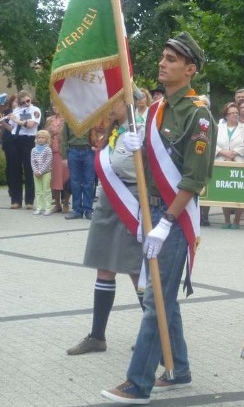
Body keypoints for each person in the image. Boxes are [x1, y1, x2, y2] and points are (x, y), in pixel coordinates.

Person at [101, 31, 215, 404]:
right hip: (151, 211)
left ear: (190, 69)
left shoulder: (198, 115)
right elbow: (150, 165)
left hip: (174, 219)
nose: (162, 63)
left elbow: (195, 178)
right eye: (163, 56)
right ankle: (178, 369)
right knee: (162, 295)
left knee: (157, 301)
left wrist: (166, 221)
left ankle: (138, 382)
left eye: (171, 58)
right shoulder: (157, 109)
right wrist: (136, 145)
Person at [67, 93, 146, 356]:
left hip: (131, 203)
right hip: (108, 202)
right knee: (104, 267)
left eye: (114, 101)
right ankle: (97, 336)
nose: (108, 107)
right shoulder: (114, 132)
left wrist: (143, 149)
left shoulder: (144, 131)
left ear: (128, 103)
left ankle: (154, 334)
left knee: (137, 271)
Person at [215, 102, 244, 228]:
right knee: (225, 191)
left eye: (236, 113)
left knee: (238, 192)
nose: (235, 115)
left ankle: (236, 221)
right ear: (226, 115)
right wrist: (224, 153)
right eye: (232, 113)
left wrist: (233, 154)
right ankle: (226, 220)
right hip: (222, 161)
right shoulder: (219, 127)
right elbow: (214, 143)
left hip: (239, 161)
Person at [8, 90, 41, 209]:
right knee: (15, 170)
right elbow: (12, 126)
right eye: (24, 102)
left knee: (28, 169)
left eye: (28, 100)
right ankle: (16, 200)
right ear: (20, 102)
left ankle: (29, 200)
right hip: (15, 139)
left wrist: (17, 120)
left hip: (28, 140)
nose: (27, 103)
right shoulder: (17, 110)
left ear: (30, 98)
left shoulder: (35, 110)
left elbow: (30, 125)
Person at [61, 117, 97, 220]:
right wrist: (64, 157)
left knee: (89, 181)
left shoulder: (91, 117)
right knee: (75, 182)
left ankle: (88, 210)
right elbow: (64, 138)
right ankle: (77, 210)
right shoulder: (69, 118)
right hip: (73, 150)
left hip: (88, 151)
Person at [45, 104, 70, 213]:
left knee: (66, 178)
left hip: (63, 152)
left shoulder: (68, 119)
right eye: (53, 105)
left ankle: (66, 203)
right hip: (52, 151)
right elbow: (45, 133)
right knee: (54, 179)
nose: (55, 107)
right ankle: (57, 204)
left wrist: (58, 131)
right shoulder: (49, 119)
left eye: (57, 104)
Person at [1, 94, 19, 207]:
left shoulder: (23, 112)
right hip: (9, 141)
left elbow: (14, 128)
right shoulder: (6, 112)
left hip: (19, 141)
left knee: (17, 166)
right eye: (15, 101)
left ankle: (17, 190)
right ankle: (11, 189)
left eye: (18, 102)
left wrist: (4, 124)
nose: (16, 103)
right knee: (10, 166)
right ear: (11, 102)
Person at [30, 129, 53, 215]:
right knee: (38, 191)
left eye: (43, 138)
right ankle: (39, 207)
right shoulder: (33, 150)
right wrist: (36, 171)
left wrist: (41, 171)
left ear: (46, 139)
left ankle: (48, 208)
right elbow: (32, 161)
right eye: (39, 137)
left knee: (46, 191)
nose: (40, 139)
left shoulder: (48, 150)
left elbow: (48, 162)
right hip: (36, 174)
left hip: (46, 173)